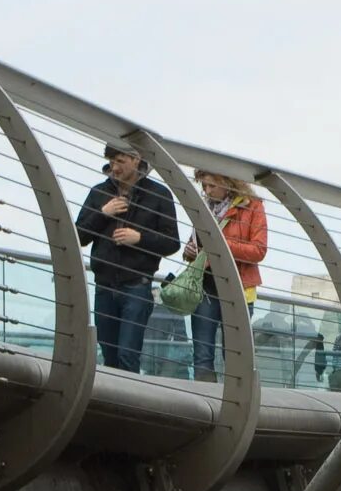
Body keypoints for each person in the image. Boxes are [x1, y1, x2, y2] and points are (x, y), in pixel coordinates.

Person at [76, 140, 181, 372]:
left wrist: (139, 238)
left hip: (137, 286)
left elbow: (172, 242)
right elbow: (78, 236)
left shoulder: (159, 194)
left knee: (128, 355)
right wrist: (102, 213)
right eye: (111, 162)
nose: (115, 167)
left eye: (120, 161)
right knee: (109, 355)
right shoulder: (98, 193)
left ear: (137, 160)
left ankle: (126, 405)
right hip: (103, 286)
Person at [178, 171, 269, 382]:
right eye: (204, 187)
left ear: (229, 183)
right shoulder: (203, 208)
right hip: (205, 285)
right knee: (202, 354)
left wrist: (222, 245)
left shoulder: (253, 206)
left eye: (212, 186)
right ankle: (205, 404)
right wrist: (190, 252)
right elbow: (198, 246)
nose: (207, 192)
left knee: (235, 354)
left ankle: (237, 404)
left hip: (238, 288)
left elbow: (259, 250)